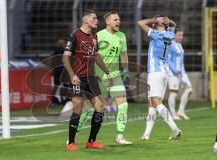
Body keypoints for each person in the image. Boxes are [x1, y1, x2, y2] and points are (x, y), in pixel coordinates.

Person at [77, 11, 132, 145]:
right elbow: (92, 55)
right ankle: (75, 132)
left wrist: (125, 71)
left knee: (123, 104)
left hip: (115, 76)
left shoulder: (122, 36)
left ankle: (119, 136)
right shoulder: (98, 36)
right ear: (107, 21)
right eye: (115, 20)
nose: (118, 22)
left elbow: (124, 55)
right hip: (98, 76)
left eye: (119, 20)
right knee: (89, 107)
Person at [62, 9, 113, 151]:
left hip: (91, 78)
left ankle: (91, 141)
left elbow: (96, 55)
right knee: (78, 108)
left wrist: (107, 72)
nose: (97, 21)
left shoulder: (94, 36)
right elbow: (65, 57)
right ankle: (71, 143)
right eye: (94, 18)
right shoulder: (75, 35)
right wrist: (72, 75)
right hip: (78, 77)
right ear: (86, 20)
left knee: (100, 107)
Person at [138, 16, 182, 140]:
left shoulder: (155, 34)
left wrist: (154, 20)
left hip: (155, 72)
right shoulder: (169, 34)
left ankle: (175, 129)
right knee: (151, 104)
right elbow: (174, 24)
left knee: (156, 103)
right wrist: (168, 21)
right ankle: (146, 134)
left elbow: (140, 23)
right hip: (164, 73)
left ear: (156, 25)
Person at [168, 28, 192, 120]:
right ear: (174, 35)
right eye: (179, 35)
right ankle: (173, 115)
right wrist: (175, 70)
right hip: (173, 73)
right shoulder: (170, 45)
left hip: (182, 72)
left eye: (182, 35)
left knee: (189, 89)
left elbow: (181, 61)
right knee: (174, 92)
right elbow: (168, 60)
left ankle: (181, 111)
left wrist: (183, 72)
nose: (181, 37)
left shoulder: (179, 45)